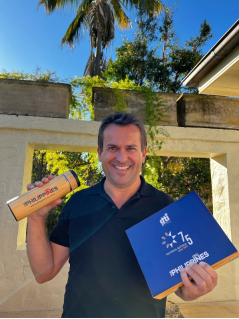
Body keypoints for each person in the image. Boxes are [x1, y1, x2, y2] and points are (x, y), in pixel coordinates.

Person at [27, 112, 218, 318]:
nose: (121, 157)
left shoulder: (164, 207)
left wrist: (191, 291)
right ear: (99, 152)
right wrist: (36, 218)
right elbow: (44, 273)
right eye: (112, 148)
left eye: (130, 148)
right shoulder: (78, 203)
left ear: (143, 154)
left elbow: (179, 281)